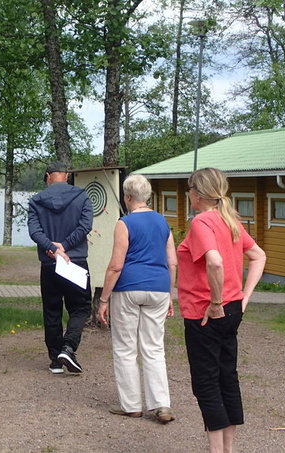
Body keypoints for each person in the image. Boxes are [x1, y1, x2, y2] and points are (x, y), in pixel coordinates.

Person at [178, 168, 266, 453]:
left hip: (205, 313)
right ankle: (228, 448)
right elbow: (258, 256)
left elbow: (214, 262)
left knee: (206, 383)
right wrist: (243, 297)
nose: (188, 194)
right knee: (227, 376)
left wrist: (216, 303)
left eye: (189, 189)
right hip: (232, 310)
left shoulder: (202, 222)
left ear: (198, 194)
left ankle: (217, 451)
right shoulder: (229, 220)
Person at [97, 174, 177, 423]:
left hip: (129, 288)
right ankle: (162, 405)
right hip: (159, 288)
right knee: (154, 347)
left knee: (125, 347)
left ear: (128, 197)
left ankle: (131, 404)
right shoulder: (163, 222)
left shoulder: (125, 223)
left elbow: (116, 265)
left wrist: (103, 299)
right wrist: (170, 294)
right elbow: (172, 261)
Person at [28, 161, 93, 374]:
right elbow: (85, 226)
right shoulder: (82, 197)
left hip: (49, 264)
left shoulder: (36, 201)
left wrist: (53, 249)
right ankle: (69, 347)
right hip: (76, 261)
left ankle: (56, 360)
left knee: (52, 310)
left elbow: (34, 231)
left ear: (48, 176)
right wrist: (64, 246)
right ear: (67, 175)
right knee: (81, 307)